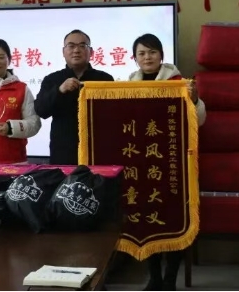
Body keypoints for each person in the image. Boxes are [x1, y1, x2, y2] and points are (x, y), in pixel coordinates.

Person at [128, 33, 206, 291]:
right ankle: (154, 279)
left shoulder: (180, 83)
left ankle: (170, 279)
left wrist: (194, 99)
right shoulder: (127, 85)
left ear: (161, 55)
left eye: (152, 52)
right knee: (145, 220)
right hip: (142, 162)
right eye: (141, 53)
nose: (147, 57)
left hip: (173, 162)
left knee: (173, 220)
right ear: (135, 58)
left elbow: (199, 120)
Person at [34, 29, 114, 164]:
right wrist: (59, 90)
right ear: (63, 52)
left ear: (91, 52)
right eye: (71, 46)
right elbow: (41, 110)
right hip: (63, 152)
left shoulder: (104, 79)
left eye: (82, 46)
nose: (76, 50)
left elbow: (113, 115)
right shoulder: (52, 79)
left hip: (97, 150)